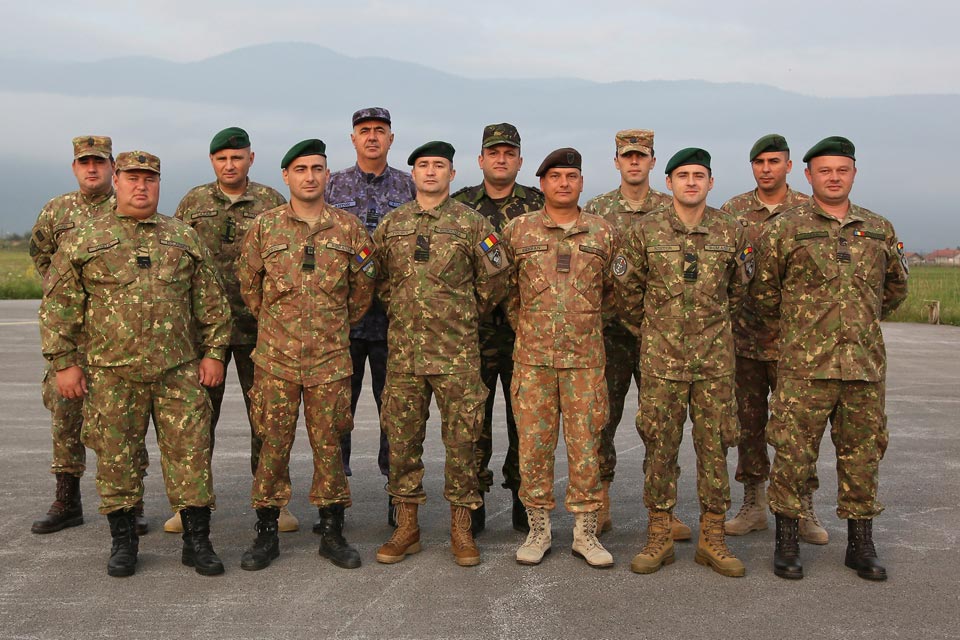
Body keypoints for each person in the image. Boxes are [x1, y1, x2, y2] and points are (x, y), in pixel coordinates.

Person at [40, 150, 231, 577]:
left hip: (177, 370)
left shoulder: (182, 237)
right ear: (117, 180)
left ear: (159, 183)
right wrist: (64, 363)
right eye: (132, 178)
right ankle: (123, 542)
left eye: (150, 178)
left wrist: (215, 353)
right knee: (116, 459)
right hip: (111, 372)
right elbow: (58, 307)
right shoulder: (85, 238)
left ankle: (197, 541)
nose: (141, 186)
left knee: (191, 456)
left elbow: (213, 304)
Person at [752, 136, 908, 581]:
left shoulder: (879, 229)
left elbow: (894, 288)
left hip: (863, 367)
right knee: (793, 455)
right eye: (824, 170)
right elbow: (763, 292)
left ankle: (861, 544)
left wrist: (857, 321)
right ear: (808, 176)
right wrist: (803, 331)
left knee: (862, 455)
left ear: (854, 173)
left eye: (842, 170)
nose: (833, 177)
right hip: (804, 366)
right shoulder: (786, 228)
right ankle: (786, 541)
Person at [613, 148, 752, 577]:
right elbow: (626, 291)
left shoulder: (732, 231)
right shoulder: (645, 231)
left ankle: (713, 537)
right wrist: (657, 330)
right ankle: (659, 533)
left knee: (715, 448)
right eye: (683, 175)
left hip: (714, 363)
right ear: (669, 182)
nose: (691, 182)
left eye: (699, 175)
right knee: (660, 446)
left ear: (711, 183)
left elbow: (740, 290)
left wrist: (708, 328)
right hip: (662, 363)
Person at [237, 139, 375, 571]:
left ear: (327, 175)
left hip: (329, 361)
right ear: (286, 177)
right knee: (273, 443)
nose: (310, 176)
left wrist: (330, 326)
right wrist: (281, 327)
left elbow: (363, 289)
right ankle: (266, 529)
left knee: (330, 444)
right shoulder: (265, 227)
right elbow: (250, 287)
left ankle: (332, 531)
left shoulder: (350, 229)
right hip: (275, 359)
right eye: (301, 169)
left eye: (317, 168)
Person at [373, 141, 510, 567]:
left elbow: (496, 279)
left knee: (463, 441)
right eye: (423, 165)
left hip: (456, 355)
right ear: (412, 173)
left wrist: (463, 310)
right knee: (402, 440)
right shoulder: (391, 225)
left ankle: (461, 527)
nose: (431, 172)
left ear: (452, 174)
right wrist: (402, 308)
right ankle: (407, 526)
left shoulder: (472, 224)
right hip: (405, 355)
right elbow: (374, 278)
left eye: (440, 166)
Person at [173, 127, 292, 534]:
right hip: (205, 333)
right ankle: (188, 502)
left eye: (237, 157)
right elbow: (176, 258)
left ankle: (273, 501)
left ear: (251, 159)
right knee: (197, 420)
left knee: (267, 420)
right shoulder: (193, 202)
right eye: (222, 158)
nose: (230, 165)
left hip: (260, 330)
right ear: (212, 162)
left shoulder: (272, 202)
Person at [29, 136, 150, 536]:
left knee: (125, 420)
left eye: (99, 162)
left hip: (117, 337)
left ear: (113, 168)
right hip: (72, 336)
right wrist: (61, 291)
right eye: (84, 163)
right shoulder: (58, 211)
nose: (92, 169)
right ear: (75, 167)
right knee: (65, 417)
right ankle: (67, 499)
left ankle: (131, 505)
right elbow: (41, 253)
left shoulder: (128, 207)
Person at [502, 147, 616, 569]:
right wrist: (532, 327)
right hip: (533, 360)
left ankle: (586, 533)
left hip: (586, 361)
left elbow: (615, 294)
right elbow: (506, 292)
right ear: (543, 183)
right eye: (555, 177)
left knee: (586, 445)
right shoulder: (519, 231)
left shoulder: (603, 233)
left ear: (582, 182)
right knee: (533, 446)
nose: (564, 183)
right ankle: (538, 529)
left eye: (571, 176)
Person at [720, 134, 826, 543]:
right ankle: (754, 503)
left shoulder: (807, 209)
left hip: (797, 345)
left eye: (774, 161)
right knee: (748, 425)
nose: (766, 168)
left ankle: (802, 506)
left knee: (798, 427)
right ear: (753, 167)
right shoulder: (733, 212)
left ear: (788, 166)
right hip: (745, 340)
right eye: (760, 162)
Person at [582, 129, 685, 540]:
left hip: (660, 334)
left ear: (653, 162)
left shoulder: (672, 206)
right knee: (602, 420)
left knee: (662, 422)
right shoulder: (598, 209)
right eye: (628, 157)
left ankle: (663, 508)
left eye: (641, 156)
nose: (634, 163)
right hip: (610, 332)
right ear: (617, 162)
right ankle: (600, 499)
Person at [325, 107, 416, 526]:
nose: (373, 137)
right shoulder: (332, 185)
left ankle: (398, 499)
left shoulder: (410, 186)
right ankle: (334, 501)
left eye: (380, 131)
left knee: (394, 414)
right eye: (365, 131)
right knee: (336, 413)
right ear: (354, 138)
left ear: (391, 139)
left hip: (392, 323)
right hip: (342, 322)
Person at [452, 122, 543, 533]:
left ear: (520, 160)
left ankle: (525, 498)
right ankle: (473, 501)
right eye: (494, 153)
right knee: (474, 422)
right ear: (481, 160)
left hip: (527, 332)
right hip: (474, 333)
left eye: (509, 153)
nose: (501, 159)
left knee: (525, 421)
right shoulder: (461, 206)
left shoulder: (540, 205)